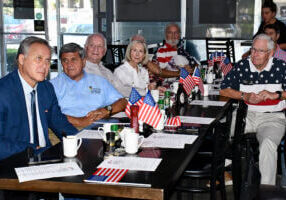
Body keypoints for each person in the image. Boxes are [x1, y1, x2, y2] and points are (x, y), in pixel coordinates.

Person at [0, 36, 78, 199]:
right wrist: (30, 150)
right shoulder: (3, 91)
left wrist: (78, 140)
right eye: (39, 59)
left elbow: (59, 121)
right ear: (22, 59)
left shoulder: (46, 88)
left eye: (48, 61)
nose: (45, 66)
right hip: (12, 166)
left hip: (47, 164)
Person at [220, 34, 286, 185]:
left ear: (270, 53)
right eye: (253, 50)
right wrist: (244, 95)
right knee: (220, 130)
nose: (255, 54)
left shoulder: (281, 67)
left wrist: (275, 95)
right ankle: (224, 173)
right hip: (246, 115)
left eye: (260, 51)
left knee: (268, 144)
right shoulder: (242, 65)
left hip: (273, 117)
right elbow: (223, 89)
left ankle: (267, 189)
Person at [50, 43, 127, 127]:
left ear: (83, 62)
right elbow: (48, 113)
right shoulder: (52, 85)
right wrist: (80, 121)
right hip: (65, 129)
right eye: (65, 60)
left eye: (73, 59)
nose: (69, 64)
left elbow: (123, 102)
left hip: (97, 128)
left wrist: (107, 110)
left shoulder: (100, 81)